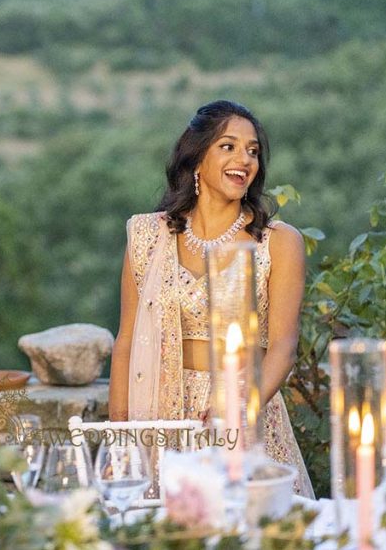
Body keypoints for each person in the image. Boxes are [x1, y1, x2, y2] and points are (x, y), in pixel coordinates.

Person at [109, 100, 313, 497]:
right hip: (161, 414)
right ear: (197, 157)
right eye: (228, 146)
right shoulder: (148, 237)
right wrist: (121, 438)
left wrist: (239, 407)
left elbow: (284, 348)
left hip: (245, 414)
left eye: (253, 151)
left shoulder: (279, 242)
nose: (244, 159)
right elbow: (126, 342)